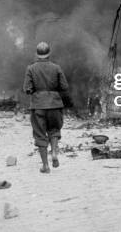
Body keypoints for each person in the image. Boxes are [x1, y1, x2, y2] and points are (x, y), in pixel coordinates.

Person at [23, 42, 72, 174]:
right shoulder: (56, 68)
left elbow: (27, 89)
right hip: (55, 104)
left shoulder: (31, 69)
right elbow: (64, 87)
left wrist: (35, 90)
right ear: (49, 53)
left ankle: (45, 165)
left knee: (40, 135)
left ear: (36, 54)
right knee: (54, 130)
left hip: (38, 105)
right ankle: (54, 153)